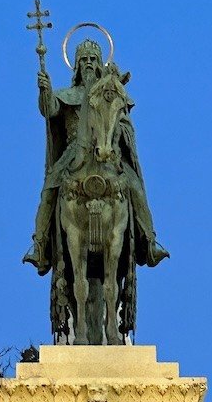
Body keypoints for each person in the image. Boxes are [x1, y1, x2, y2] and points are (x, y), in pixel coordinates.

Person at [22, 38, 168, 275]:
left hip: (108, 154)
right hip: (72, 154)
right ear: (76, 66)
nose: (88, 64)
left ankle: (149, 241)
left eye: (93, 59)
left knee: (136, 188)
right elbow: (50, 110)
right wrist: (45, 90)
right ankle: (39, 245)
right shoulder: (66, 95)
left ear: (100, 64)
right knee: (49, 188)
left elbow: (123, 123)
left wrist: (118, 131)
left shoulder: (109, 95)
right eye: (83, 60)